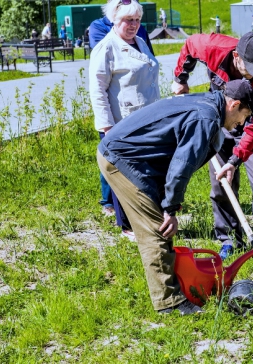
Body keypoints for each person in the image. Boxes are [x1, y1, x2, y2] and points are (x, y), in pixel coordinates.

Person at [97, 80, 253, 315]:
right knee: (157, 230)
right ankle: (170, 304)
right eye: (244, 116)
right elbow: (181, 166)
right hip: (123, 159)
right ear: (234, 104)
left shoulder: (208, 105)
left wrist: (166, 199)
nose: (241, 123)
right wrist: (170, 209)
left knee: (159, 224)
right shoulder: (205, 119)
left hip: (134, 158)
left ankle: (177, 287)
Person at [171, 32, 253, 273]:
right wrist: (181, 77)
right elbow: (190, 45)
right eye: (250, 68)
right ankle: (229, 240)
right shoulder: (214, 47)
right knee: (220, 185)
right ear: (236, 56)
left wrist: (236, 159)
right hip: (221, 123)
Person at [89, 0, 160, 241]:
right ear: (114, 20)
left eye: (137, 20)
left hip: (147, 119)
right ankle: (128, 226)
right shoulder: (106, 48)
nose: (133, 25)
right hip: (122, 123)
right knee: (125, 175)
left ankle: (147, 218)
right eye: (128, 20)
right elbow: (97, 90)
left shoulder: (140, 42)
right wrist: (107, 127)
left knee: (145, 172)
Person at [88, 1, 154, 52]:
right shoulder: (98, 26)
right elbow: (104, 56)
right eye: (129, 19)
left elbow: (150, 57)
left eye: (137, 19)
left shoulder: (139, 27)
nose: (134, 24)